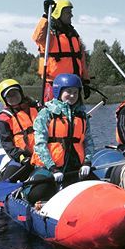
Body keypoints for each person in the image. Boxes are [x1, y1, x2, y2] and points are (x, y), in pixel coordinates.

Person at [27, 73, 96, 203]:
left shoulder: (82, 115)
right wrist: (52, 168)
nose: (72, 95)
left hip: (75, 167)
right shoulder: (46, 113)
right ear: (58, 92)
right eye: (68, 91)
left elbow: (88, 142)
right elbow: (40, 144)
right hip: (49, 167)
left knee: (97, 188)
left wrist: (87, 162)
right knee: (37, 194)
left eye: (75, 92)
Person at [32, 0, 91, 102]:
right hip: (54, 85)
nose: (71, 15)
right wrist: (46, 16)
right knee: (54, 117)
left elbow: (81, 59)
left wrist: (85, 81)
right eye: (68, 12)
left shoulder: (73, 34)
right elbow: (37, 37)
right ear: (58, 12)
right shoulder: (50, 35)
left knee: (75, 117)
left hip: (74, 85)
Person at [0, 79, 39, 181]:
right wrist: (20, 157)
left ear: (21, 93)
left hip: (41, 155)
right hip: (23, 157)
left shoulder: (36, 108)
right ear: (4, 99)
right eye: (9, 96)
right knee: (8, 179)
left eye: (15, 93)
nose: (13, 97)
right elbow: (7, 144)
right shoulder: (5, 118)